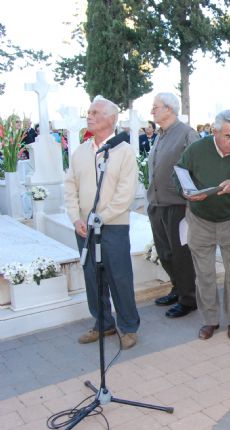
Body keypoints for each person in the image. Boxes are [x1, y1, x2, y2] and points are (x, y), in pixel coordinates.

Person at [174, 110, 230, 341]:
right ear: (215, 132)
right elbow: (179, 174)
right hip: (200, 221)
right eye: (228, 136)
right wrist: (186, 191)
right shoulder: (196, 150)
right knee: (204, 275)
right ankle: (209, 321)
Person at [63, 95, 140, 350]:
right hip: (84, 227)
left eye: (96, 113)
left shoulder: (124, 152)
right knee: (92, 276)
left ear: (111, 119)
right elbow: (70, 186)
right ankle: (103, 323)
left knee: (119, 276)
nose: (90, 116)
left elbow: (125, 194)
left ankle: (128, 327)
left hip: (113, 226)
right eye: (90, 112)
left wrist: (101, 219)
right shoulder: (80, 152)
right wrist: (76, 218)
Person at [148, 93, 200, 318]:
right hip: (157, 204)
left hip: (178, 205)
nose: (152, 111)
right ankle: (177, 289)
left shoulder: (187, 134)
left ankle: (188, 299)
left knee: (181, 254)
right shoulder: (160, 135)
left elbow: (198, 169)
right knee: (165, 252)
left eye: (156, 107)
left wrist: (192, 204)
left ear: (169, 109)